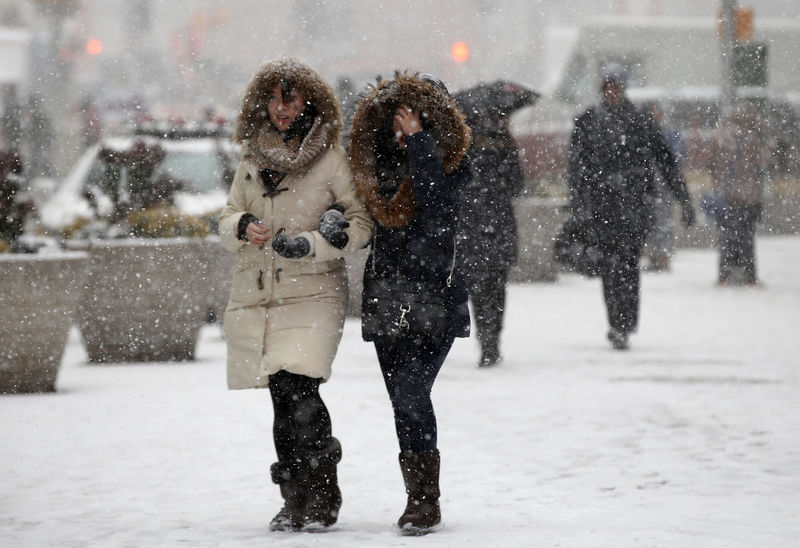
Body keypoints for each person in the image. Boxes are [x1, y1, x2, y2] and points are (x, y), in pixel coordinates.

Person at [217, 58, 372, 532]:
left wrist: (314, 243)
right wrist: (242, 226)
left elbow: (361, 225)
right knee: (281, 399)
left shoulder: (331, 159)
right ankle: (294, 496)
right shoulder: (250, 158)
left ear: (310, 102)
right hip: (263, 291)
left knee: (298, 386)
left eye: (292, 99)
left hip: (315, 292)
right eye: (274, 100)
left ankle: (323, 492)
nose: (282, 110)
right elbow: (226, 217)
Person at [349, 73, 471, 534]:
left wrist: (420, 145)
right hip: (388, 299)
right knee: (403, 401)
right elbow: (360, 215)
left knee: (411, 392)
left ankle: (425, 500)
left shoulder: (453, 163)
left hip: (436, 299)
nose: (404, 126)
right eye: (397, 118)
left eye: (414, 116)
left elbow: (438, 212)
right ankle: (416, 493)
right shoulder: (376, 168)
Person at [567, 63, 695, 350]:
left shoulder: (641, 121)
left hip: (635, 207)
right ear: (603, 89)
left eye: (617, 86)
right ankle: (616, 323)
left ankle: (625, 323)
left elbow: (666, 162)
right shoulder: (587, 121)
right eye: (608, 86)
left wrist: (684, 199)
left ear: (623, 89)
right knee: (610, 269)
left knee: (628, 267)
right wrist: (579, 206)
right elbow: (576, 170)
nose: (613, 91)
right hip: (603, 208)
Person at [455, 82, 533, 367]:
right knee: (496, 286)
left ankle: (486, 340)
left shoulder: (463, 146)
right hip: (496, 223)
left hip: (473, 225)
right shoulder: (505, 145)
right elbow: (517, 186)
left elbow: (456, 184)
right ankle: (492, 339)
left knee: (479, 287)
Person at [710, 102, 771, 286]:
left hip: (725, 196)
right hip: (748, 197)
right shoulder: (752, 137)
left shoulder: (719, 135)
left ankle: (723, 276)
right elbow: (763, 161)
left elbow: (709, 161)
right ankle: (750, 277)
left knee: (726, 238)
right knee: (747, 239)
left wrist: (718, 179)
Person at [643, 102, 687, 272]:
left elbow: (677, 157)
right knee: (651, 222)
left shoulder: (669, 134)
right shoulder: (644, 133)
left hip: (663, 186)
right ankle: (654, 255)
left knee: (663, 220)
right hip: (648, 187)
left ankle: (663, 255)